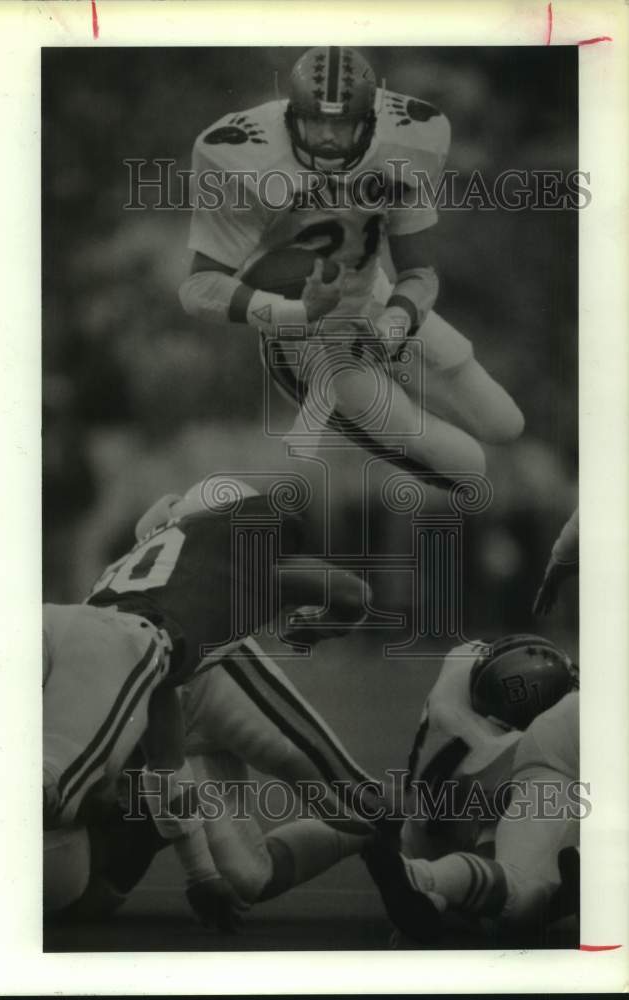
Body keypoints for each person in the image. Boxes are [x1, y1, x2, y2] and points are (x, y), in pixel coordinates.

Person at [179, 46, 524, 485]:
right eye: (314, 121)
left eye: (339, 125)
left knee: (506, 423)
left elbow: (420, 273)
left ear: (368, 122)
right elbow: (199, 288)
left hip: (372, 296)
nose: (325, 137)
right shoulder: (242, 156)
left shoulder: (409, 139)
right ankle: (331, 400)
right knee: (466, 463)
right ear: (290, 117)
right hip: (304, 335)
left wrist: (394, 325)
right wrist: (297, 313)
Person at [43, 476, 373, 928]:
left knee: (351, 799)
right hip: (157, 670)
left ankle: (417, 837)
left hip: (194, 670)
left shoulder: (172, 554)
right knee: (246, 876)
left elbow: (345, 591)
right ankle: (143, 825)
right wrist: (323, 624)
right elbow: (352, 594)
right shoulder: (190, 565)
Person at [363, 636, 580, 945]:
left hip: (426, 823)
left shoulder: (459, 681)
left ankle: (431, 885)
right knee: (524, 892)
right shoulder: (551, 727)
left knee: (510, 883)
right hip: (468, 801)